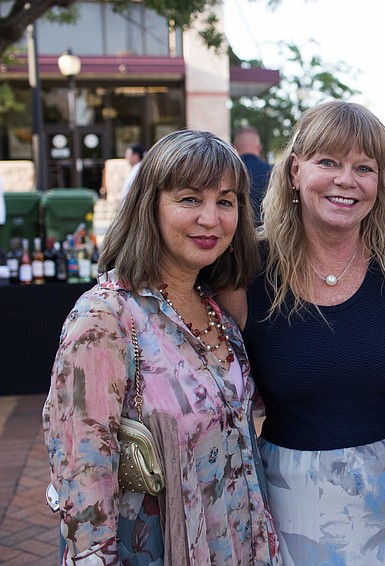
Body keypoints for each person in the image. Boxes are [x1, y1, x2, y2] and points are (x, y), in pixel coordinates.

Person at [42, 129, 281, 565]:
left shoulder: (216, 305)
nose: (211, 218)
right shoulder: (105, 317)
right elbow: (83, 477)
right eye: (190, 199)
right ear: (150, 205)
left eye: (225, 202)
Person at [218, 101, 385, 565]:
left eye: (364, 167)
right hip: (292, 491)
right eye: (328, 162)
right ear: (294, 171)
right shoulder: (248, 272)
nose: (346, 180)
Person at [234, 126, 274, 225]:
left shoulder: (228, 172)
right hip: (267, 234)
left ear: (235, 146)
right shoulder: (273, 172)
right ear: (259, 147)